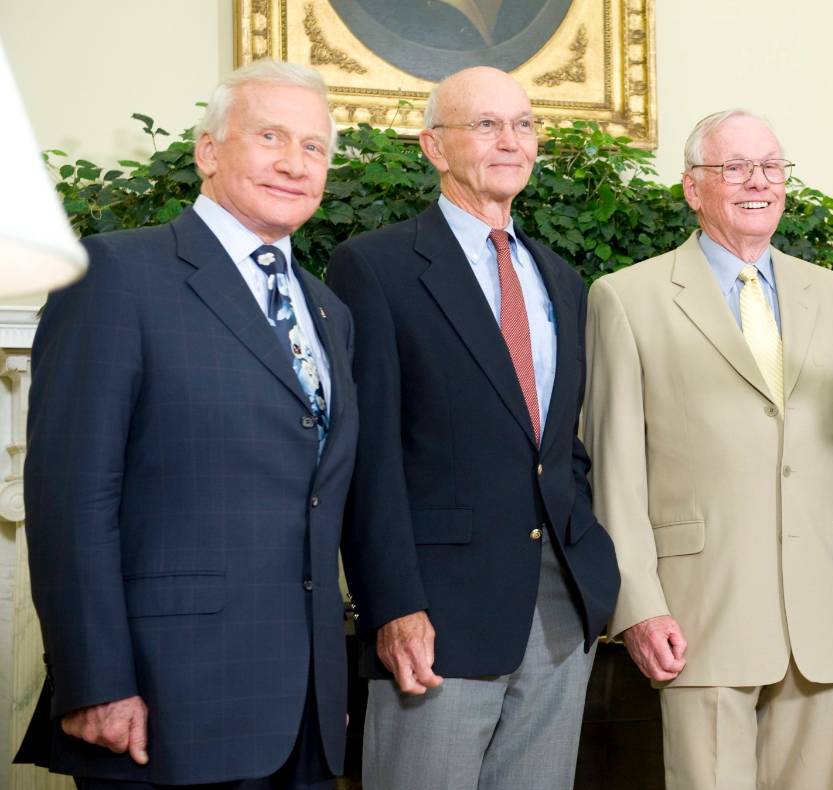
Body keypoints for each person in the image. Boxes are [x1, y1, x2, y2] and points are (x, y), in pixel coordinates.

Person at [18, 60, 357, 788]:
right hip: (164, 703)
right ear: (209, 150)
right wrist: (93, 679)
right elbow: (69, 497)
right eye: (270, 136)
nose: (294, 163)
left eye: (314, 147)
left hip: (303, 710)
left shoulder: (331, 313)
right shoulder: (116, 273)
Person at [581, 110, 833, 790]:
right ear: (693, 188)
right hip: (698, 610)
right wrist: (637, 603)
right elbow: (614, 469)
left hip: (824, 611)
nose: (758, 182)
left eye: (771, 166)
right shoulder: (626, 298)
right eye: (734, 167)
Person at [325, 66, 619, 790]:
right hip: (438, 617)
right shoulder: (376, 266)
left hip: (559, 611)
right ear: (434, 146)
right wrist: (392, 604)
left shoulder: (561, 278)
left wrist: (594, 575)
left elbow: (558, 447)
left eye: (523, 124)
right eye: (485, 125)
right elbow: (370, 460)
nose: (510, 141)